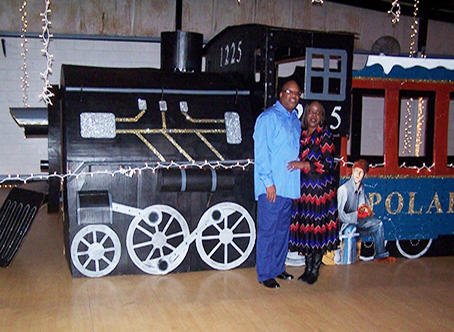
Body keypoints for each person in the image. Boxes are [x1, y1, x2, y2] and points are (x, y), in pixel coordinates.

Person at [253, 80, 302, 289]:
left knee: (282, 231)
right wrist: (268, 183)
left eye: (297, 93)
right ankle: (265, 274)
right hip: (271, 187)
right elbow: (262, 154)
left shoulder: (295, 121)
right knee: (268, 231)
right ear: (280, 94)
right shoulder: (268, 118)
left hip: (289, 187)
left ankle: (277, 268)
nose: (293, 96)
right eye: (289, 92)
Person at [288, 101, 339, 285]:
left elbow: (328, 163)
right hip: (304, 191)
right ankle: (307, 268)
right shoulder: (301, 134)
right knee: (307, 230)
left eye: (317, 113)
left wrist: (304, 165)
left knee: (317, 230)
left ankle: (314, 270)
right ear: (306, 114)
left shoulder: (324, 135)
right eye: (311, 112)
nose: (313, 116)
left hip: (319, 192)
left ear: (322, 117)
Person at [337, 159, 396, 263]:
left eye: (361, 172)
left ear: (364, 174)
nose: (357, 175)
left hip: (358, 222)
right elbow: (340, 215)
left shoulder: (362, 187)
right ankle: (347, 260)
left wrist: (367, 210)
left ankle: (380, 256)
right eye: (356, 171)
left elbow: (363, 204)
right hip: (346, 224)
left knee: (378, 224)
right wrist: (357, 215)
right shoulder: (343, 190)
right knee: (350, 232)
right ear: (352, 171)